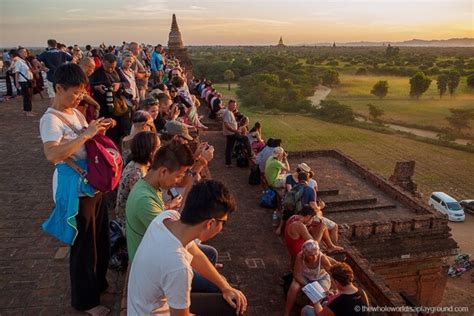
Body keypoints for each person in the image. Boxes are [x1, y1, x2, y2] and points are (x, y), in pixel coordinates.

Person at [39, 63, 116, 316]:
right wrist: (87, 134)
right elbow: (52, 154)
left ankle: (99, 283)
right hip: (76, 188)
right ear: (58, 88)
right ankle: (85, 301)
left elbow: (83, 138)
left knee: (101, 240)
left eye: (82, 93)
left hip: (92, 182)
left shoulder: (75, 112)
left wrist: (96, 128)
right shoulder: (50, 119)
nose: (78, 98)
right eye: (74, 92)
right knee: (84, 248)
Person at [127, 180, 247, 316]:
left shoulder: (166, 218)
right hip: (151, 311)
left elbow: (196, 254)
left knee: (223, 289)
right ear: (211, 223)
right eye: (223, 223)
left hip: (140, 305)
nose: (222, 229)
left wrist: (225, 287)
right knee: (233, 308)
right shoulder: (178, 267)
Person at [125, 142, 194, 261]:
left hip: (153, 254)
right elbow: (177, 237)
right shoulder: (144, 199)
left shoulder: (149, 187)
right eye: (178, 176)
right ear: (163, 172)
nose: (179, 181)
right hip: (148, 263)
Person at [115, 131, 160, 221]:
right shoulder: (137, 174)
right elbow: (142, 206)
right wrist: (169, 205)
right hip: (127, 222)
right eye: (158, 147)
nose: (160, 149)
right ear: (151, 151)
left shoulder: (136, 163)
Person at [284, 240, 335, 316]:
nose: (314, 257)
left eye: (316, 254)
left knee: (320, 292)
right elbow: (297, 274)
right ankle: (286, 312)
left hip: (320, 278)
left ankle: (311, 310)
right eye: (311, 255)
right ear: (305, 253)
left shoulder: (322, 258)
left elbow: (332, 273)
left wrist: (335, 288)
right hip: (304, 278)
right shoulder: (300, 256)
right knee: (294, 287)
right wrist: (307, 284)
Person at [89, 53, 128, 144]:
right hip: (103, 106)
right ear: (102, 62)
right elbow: (88, 86)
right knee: (107, 130)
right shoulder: (96, 73)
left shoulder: (117, 71)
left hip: (117, 105)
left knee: (120, 129)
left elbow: (127, 83)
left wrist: (119, 85)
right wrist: (96, 87)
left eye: (113, 67)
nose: (111, 69)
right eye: (108, 67)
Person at [302, 263, 366, 316]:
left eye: (332, 281)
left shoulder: (339, 301)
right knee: (325, 303)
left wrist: (316, 301)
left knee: (306, 310)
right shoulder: (362, 292)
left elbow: (320, 315)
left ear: (336, 282)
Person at [222, 99, 254, 167]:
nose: (234, 107)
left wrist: (237, 125)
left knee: (229, 148)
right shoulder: (227, 112)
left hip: (231, 133)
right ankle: (250, 154)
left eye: (235, 105)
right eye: (233, 105)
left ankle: (228, 164)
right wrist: (235, 131)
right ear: (229, 105)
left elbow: (230, 123)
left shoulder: (229, 111)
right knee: (245, 138)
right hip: (232, 133)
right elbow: (226, 125)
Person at [77, 57, 101, 122]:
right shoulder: (79, 77)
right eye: (90, 67)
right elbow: (84, 95)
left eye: (93, 69)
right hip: (79, 107)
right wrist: (96, 104)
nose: (92, 71)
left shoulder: (83, 77)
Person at [14, 47, 35, 116]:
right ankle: (28, 111)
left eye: (26, 52)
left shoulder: (26, 61)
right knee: (27, 96)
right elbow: (17, 73)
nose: (25, 53)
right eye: (24, 52)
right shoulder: (18, 62)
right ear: (19, 53)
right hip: (23, 81)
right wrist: (16, 83)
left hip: (29, 80)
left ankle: (27, 110)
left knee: (29, 96)